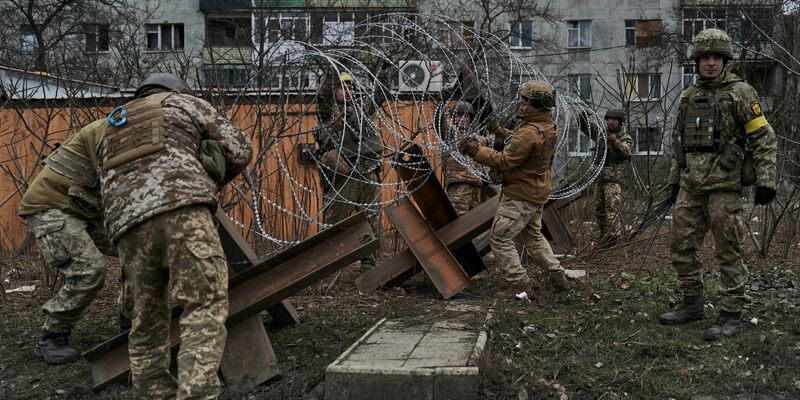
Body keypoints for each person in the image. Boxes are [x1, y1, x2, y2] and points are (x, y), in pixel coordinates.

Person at [98, 73, 252, 398]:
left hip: (127, 226)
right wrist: (210, 176)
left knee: (146, 318)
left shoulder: (113, 124)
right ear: (177, 90)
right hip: (182, 209)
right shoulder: (183, 102)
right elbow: (240, 149)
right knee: (204, 304)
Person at [658, 29, 777, 341]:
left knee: (729, 252)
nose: (710, 63)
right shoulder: (687, 96)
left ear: (725, 61)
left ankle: (730, 314)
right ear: (697, 61)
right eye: (705, 58)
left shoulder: (741, 93)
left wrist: (767, 180)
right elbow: (678, 142)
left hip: (724, 187)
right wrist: (674, 181)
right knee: (680, 246)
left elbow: (764, 138)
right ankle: (692, 304)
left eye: (716, 58)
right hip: (690, 186)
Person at [18, 119, 131, 364]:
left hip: (82, 208)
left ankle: (131, 321)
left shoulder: (138, 129)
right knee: (89, 270)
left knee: (140, 251)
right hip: (52, 207)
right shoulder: (111, 129)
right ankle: (52, 337)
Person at [458, 81, 570, 297]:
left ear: (537, 105)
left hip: (520, 195)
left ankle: (519, 285)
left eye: (526, 101)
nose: (521, 104)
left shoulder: (528, 133)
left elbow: (505, 161)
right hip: (536, 192)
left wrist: (475, 151)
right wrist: (500, 131)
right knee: (534, 238)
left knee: (500, 238)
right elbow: (523, 144)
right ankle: (558, 277)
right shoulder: (547, 126)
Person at [315, 66, 391, 271]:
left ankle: (369, 265)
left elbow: (379, 95)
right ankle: (329, 267)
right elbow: (323, 96)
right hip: (344, 173)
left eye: (350, 86)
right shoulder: (328, 113)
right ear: (334, 90)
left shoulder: (361, 109)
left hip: (368, 171)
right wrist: (332, 70)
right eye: (342, 87)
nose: (347, 90)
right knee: (337, 221)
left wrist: (383, 72)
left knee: (371, 219)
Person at [578, 109, 634, 245]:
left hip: (613, 180)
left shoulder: (625, 137)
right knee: (599, 210)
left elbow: (627, 153)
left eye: (614, 119)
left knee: (611, 209)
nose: (611, 121)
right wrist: (583, 116)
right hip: (599, 177)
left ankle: (613, 239)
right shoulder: (601, 133)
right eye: (609, 119)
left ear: (620, 122)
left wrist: (614, 142)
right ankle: (604, 237)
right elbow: (586, 128)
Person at [442, 101, 489, 216]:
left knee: (474, 221)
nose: (462, 119)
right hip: (460, 182)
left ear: (470, 119)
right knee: (459, 218)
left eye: (466, 116)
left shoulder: (476, 138)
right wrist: (440, 104)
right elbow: (442, 123)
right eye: (458, 115)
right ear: (453, 118)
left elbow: (491, 140)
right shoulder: (451, 135)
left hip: (476, 184)